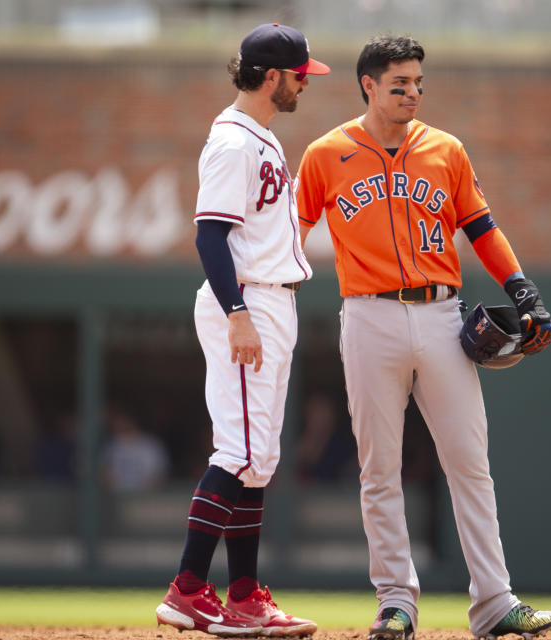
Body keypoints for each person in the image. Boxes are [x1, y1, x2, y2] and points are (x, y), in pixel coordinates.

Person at [295, 35, 551, 640]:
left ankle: (495, 602)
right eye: (400, 84)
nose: (412, 93)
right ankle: (397, 603)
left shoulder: (445, 149)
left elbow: (482, 228)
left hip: (442, 315)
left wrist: (521, 288)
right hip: (367, 315)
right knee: (378, 468)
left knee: (469, 463)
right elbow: (291, 232)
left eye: (418, 83)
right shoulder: (326, 153)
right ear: (369, 85)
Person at [154, 22, 329, 638]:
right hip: (249, 301)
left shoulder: (260, 136)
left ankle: (247, 595)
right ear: (273, 76)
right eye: (301, 75)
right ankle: (188, 590)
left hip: (270, 300)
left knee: (259, 461)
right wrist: (237, 313)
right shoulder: (233, 141)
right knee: (240, 452)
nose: (305, 84)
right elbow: (209, 235)